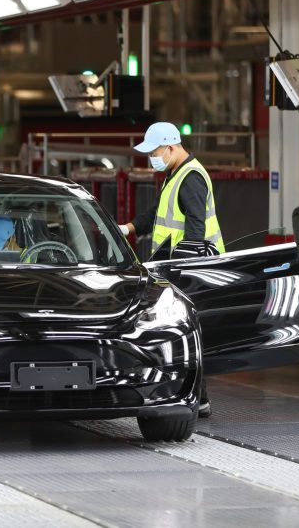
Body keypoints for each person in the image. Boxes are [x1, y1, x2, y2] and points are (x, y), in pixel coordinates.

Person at [120, 121, 224, 418]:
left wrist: (181, 270)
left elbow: (195, 228)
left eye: (154, 152)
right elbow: (157, 213)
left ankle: (196, 397)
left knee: (185, 334)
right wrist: (129, 227)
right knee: (182, 333)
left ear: (170, 147)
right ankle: (195, 396)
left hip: (190, 267)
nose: (151, 158)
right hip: (177, 266)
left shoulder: (191, 178)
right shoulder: (175, 174)